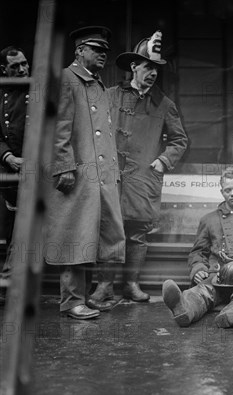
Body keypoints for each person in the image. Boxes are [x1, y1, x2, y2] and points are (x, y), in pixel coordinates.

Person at [88, 31, 188, 306]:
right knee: (108, 228)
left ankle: (131, 285)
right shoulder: (109, 96)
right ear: (134, 66)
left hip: (143, 178)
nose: (153, 73)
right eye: (148, 66)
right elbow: (91, 131)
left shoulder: (165, 104)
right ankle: (104, 286)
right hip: (110, 175)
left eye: (156, 68)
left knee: (137, 232)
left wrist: (162, 161)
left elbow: (180, 140)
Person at [44, 26, 125, 319]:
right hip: (76, 174)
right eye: (96, 49)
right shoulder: (66, 79)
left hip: (101, 176)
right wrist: (64, 166)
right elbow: (58, 127)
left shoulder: (97, 84)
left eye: (105, 50)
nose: (103, 54)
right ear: (79, 50)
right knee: (75, 237)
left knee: (102, 237)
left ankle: (94, 294)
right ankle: (71, 301)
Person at [162, 167, 233, 328]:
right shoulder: (208, 220)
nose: (232, 193)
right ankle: (184, 309)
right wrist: (198, 269)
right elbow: (198, 252)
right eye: (227, 190)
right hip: (216, 276)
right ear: (221, 192)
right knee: (201, 292)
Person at [0, 46, 29, 297]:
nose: (21, 69)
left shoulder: (37, 91)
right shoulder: (1, 96)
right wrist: (8, 157)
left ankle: (10, 282)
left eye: (24, 64)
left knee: (24, 228)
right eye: (15, 66)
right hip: (10, 174)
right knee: (14, 229)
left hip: (38, 172)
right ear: (3, 70)